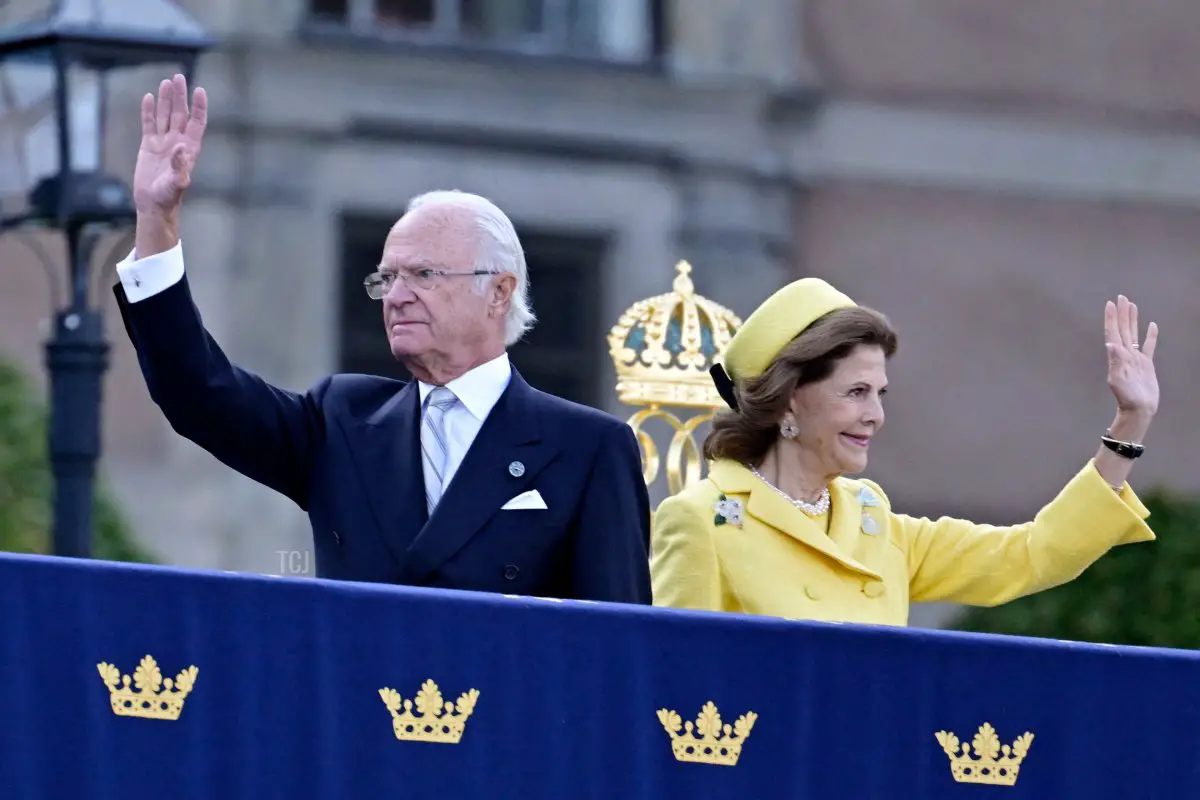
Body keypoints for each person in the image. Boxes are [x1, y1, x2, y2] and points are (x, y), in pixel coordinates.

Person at [112, 74, 652, 604]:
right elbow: (199, 392)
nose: (396, 295)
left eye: (423, 275)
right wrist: (156, 222)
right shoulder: (343, 421)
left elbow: (615, 647)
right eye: (387, 278)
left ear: (498, 292)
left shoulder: (588, 449)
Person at [650, 275, 1160, 625]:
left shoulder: (877, 524)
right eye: (855, 393)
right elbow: (671, 686)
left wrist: (1129, 422)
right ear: (787, 403)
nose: (876, 415)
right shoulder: (702, 521)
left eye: (880, 394)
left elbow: (1032, 555)